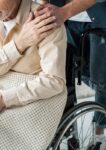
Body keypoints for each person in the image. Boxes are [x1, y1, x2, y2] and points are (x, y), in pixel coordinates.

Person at [34, 0, 106, 149]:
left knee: (100, 77)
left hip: (104, 15)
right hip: (69, 19)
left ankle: (100, 135)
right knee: (74, 71)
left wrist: (64, 12)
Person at [0, 0, 67, 149]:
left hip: (38, 94)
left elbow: (54, 81)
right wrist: (19, 44)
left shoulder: (45, 19)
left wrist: (5, 99)